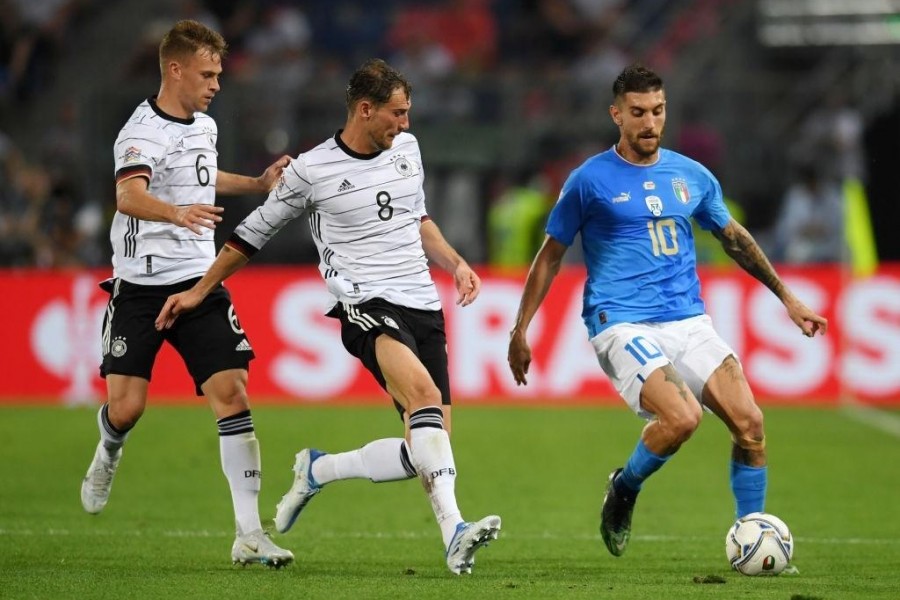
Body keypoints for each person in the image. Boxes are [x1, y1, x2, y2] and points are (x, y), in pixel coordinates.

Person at [154, 58, 501, 575]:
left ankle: (319, 468)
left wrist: (455, 263)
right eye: (397, 113)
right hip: (365, 304)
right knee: (425, 400)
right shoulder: (311, 172)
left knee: (428, 447)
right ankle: (454, 531)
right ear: (365, 110)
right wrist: (201, 290)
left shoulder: (406, 148)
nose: (405, 123)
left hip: (422, 302)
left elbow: (418, 218)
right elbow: (251, 235)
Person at [507, 64, 828, 560]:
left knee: (751, 424)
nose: (649, 122)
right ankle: (625, 487)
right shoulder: (588, 180)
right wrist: (520, 327)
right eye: (637, 113)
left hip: (689, 321)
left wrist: (787, 297)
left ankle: (752, 536)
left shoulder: (691, 175)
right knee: (681, 419)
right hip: (620, 321)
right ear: (616, 115)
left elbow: (734, 238)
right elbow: (550, 254)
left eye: (657, 111)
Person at [80, 19, 294, 568]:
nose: (217, 83)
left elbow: (202, 176)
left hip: (199, 281)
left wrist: (256, 184)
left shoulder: (204, 124)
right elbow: (129, 195)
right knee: (126, 409)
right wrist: (177, 213)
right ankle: (108, 447)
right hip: (141, 288)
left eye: (219, 73)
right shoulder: (139, 131)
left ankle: (249, 533)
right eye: (208, 73)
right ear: (174, 70)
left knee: (234, 393)